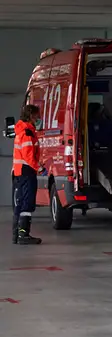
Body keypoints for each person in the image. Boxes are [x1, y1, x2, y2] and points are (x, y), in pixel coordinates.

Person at [12, 105, 46, 245]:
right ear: (31, 115)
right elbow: (28, 155)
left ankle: (17, 234)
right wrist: (40, 168)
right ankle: (23, 234)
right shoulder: (27, 132)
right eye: (37, 115)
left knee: (20, 202)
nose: (39, 118)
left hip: (21, 171)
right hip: (27, 171)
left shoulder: (22, 131)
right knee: (27, 202)